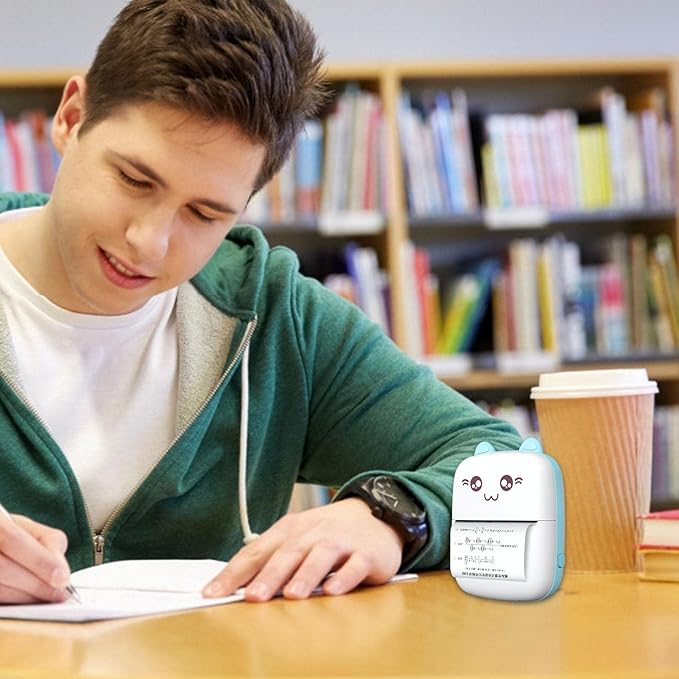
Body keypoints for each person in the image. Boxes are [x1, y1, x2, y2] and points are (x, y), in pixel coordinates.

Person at [0, 0, 521, 605]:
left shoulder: (279, 319)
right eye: (135, 180)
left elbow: (510, 468)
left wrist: (389, 516)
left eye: (204, 214)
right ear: (72, 117)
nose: (150, 242)